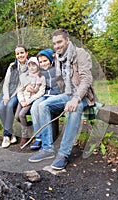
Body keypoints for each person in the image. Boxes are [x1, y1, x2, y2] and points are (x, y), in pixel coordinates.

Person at [28, 29, 96, 170]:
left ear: (67, 40)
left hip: (82, 95)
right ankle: (47, 149)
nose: (57, 46)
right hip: (67, 94)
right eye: (54, 43)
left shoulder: (80, 54)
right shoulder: (57, 58)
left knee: (74, 108)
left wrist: (76, 98)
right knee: (42, 105)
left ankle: (63, 154)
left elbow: (86, 79)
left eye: (59, 42)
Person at [0, 44, 28, 148]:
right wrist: (6, 96)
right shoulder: (12, 67)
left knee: (10, 106)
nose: (20, 55)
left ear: (26, 53)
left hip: (19, 93)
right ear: (15, 55)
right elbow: (6, 83)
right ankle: (11, 133)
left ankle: (6, 136)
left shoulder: (31, 65)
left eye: (22, 53)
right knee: (1, 107)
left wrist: (12, 97)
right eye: (18, 54)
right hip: (8, 91)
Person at [29, 49, 61, 150]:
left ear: (50, 60)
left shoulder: (57, 69)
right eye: (41, 61)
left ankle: (48, 141)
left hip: (56, 95)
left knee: (42, 107)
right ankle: (39, 138)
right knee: (34, 108)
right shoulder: (40, 72)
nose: (43, 63)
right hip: (44, 95)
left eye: (45, 61)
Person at [15, 57, 46, 148]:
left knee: (22, 115)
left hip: (31, 100)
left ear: (38, 66)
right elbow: (19, 90)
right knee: (17, 116)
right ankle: (29, 127)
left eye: (34, 65)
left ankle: (25, 136)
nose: (31, 68)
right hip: (23, 99)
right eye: (30, 66)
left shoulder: (41, 77)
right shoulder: (25, 76)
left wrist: (29, 101)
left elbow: (41, 92)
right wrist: (22, 100)